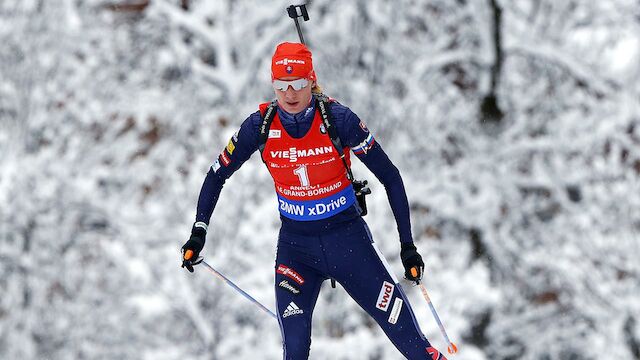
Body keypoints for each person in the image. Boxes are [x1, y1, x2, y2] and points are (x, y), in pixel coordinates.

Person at [181, 42, 447, 360]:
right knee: (294, 350)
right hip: (297, 252)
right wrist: (199, 230)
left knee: (414, 345)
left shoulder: (339, 119)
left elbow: (390, 176)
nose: (290, 94)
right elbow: (216, 174)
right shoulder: (260, 127)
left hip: (349, 244)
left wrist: (407, 246)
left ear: (312, 80)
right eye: (281, 85)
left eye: (298, 84)